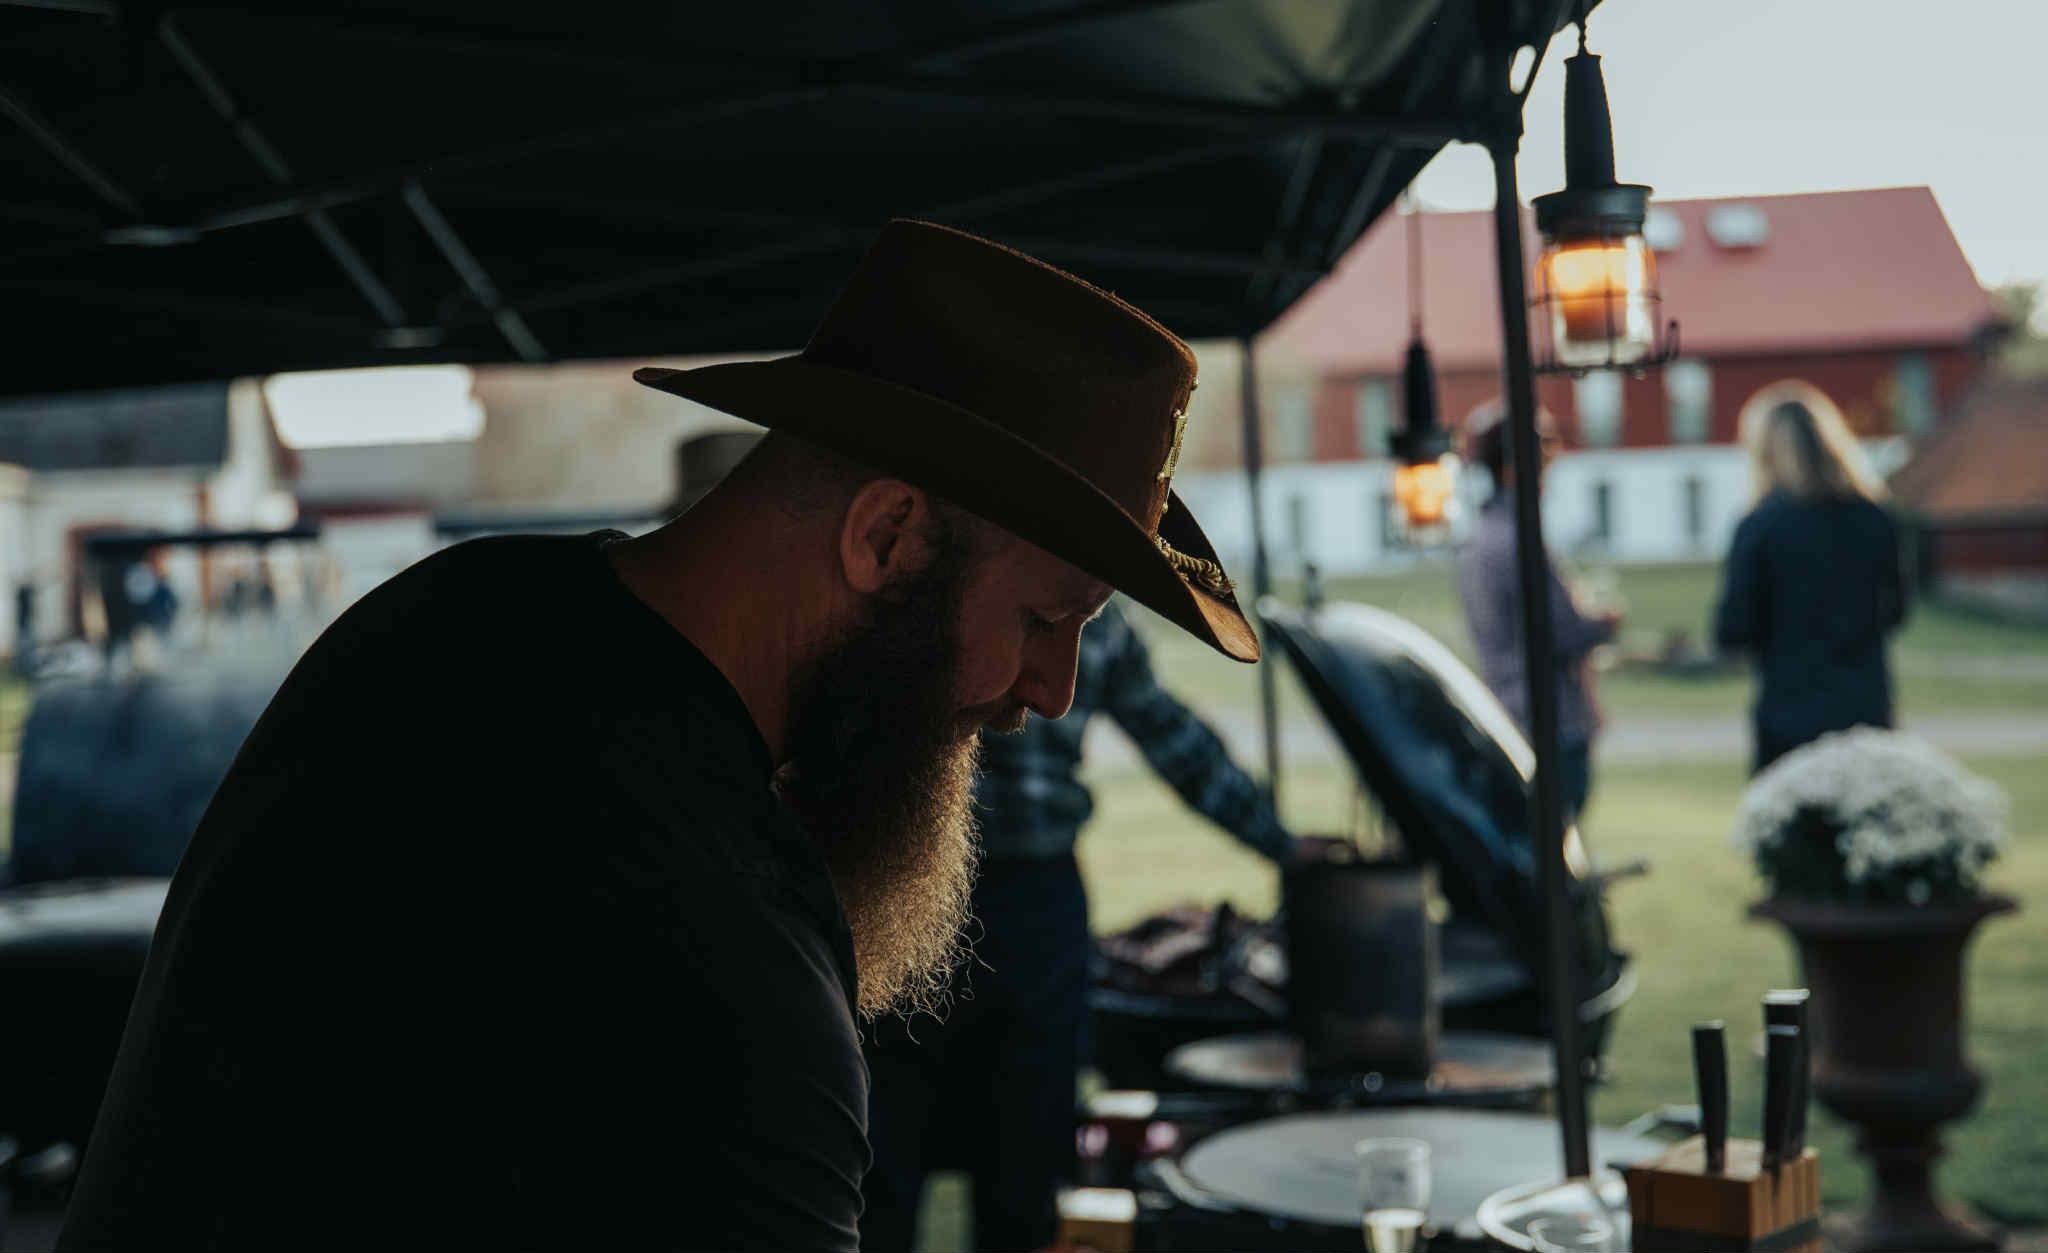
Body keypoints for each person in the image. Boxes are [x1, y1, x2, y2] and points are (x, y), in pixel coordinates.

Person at [57, 221, 1260, 1253]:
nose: (1047, 693)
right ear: (887, 537)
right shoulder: (717, 956)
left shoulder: (453, 615)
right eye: (1044, 620)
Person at [861, 599, 1306, 1252]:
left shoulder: (1096, 608)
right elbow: (1172, 739)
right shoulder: (933, 584)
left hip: (1030, 902)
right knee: (884, 1157)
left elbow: (1172, 737)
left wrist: (1285, 846)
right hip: (911, 885)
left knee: (1029, 1164)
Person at [1713, 381, 1907, 772]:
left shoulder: (1760, 527)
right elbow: (1896, 610)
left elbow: (1733, 629)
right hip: (1865, 708)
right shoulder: (1876, 518)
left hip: (1790, 715)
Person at [1455, 400, 1622, 819]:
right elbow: (1564, 632)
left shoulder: (1481, 537)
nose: (1553, 462)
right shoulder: (1519, 540)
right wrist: (1604, 622)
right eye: (1545, 450)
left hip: (1507, 712)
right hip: (1547, 723)